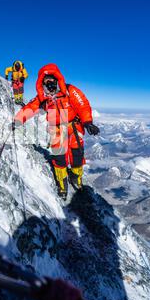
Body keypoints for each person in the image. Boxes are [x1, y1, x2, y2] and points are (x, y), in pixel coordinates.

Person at [13, 63, 100, 199]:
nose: (50, 84)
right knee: (59, 157)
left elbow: (82, 104)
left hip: (74, 126)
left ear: (57, 79)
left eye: (52, 80)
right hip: (57, 128)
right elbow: (29, 108)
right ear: (42, 83)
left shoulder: (69, 90)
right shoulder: (43, 98)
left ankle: (76, 178)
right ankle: (62, 183)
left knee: (77, 153)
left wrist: (88, 122)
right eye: (46, 82)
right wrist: (17, 120)